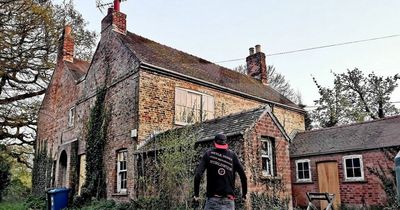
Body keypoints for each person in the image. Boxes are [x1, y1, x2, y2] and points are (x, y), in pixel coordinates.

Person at [193, 133, 247, 210]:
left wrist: (196, 195)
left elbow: (198, 175)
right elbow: (243, 176)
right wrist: (244, 194)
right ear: (226, 143)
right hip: (228, 201)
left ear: (214, 142)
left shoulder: (208, 154)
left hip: (212, 201)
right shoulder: (232, 155)